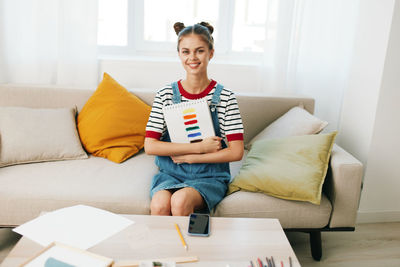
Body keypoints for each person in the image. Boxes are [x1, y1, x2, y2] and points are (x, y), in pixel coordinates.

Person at [144, 21, 244, 216]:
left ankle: (188, 246)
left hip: (210, 177)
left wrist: (191, 158)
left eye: (199, 51)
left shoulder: (225, 97)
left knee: (180, 201)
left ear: (211, 53)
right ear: (179, 54)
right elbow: (151, 146)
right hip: (170, 174)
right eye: (186, 52)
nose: (192, 57)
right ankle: (165, 247)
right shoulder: (165, 95)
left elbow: (236, 152)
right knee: (159, 205)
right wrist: (198, 148)